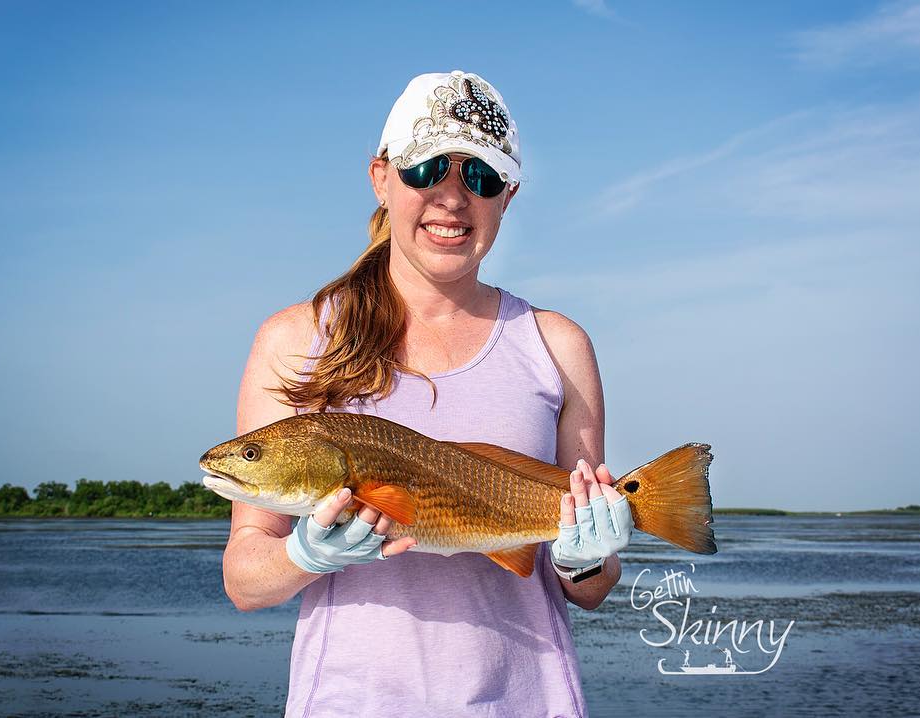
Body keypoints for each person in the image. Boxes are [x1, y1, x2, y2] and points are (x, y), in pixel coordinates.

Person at [220, 70, 629, 717]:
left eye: (480, 177)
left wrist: (585, 559)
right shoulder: (294, 338)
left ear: (508, 196)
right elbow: (244, 581)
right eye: (427, 169)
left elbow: (591, 588)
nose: (452, 197)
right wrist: (302, 554)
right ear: (381, 177)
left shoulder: (557, 345)